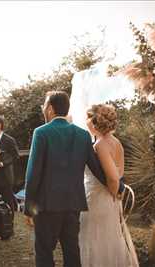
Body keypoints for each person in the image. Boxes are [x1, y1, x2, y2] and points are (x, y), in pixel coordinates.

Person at [24, 91, 107, 267]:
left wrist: (28, 207)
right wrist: (118, 185)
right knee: (72, 251)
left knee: (44, 252)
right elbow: (97, 168)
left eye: (45, 106)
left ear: (51, 109)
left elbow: (33, 173)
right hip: (73, 204)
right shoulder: (83, 135)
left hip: (47, 206)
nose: (43, 109)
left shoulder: (41, 133)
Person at [79, 104, 139, 267]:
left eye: (87, 117)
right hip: (109, 201)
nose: (85, 121)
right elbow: (120, 172)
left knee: (96, 241)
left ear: (94, 121)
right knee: (109, 240)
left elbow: (113, 178)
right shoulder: (115, 142)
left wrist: (114, 193)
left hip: (100, 200)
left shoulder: (101, 144)